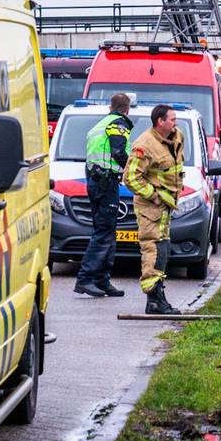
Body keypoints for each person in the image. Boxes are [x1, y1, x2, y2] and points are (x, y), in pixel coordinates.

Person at [124, 104, 185, 315]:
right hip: (151, 207)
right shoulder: (144, 145)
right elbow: (131, 177)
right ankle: (154, 299)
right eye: (172, 119)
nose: (175, 123)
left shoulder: (176, 138)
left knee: (163, 248)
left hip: (166, 206)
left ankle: (158, 297)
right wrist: (154, 195)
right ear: (160, 121)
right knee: (153, 249)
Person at [74, 93, 133, 298]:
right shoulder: (118, 124)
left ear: (111, 106)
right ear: (127, 109)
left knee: (107, 231)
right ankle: (86, 279)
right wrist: (134, 169)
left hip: (96, 181)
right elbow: (119, 152)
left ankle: (102, 280)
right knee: (103, 233)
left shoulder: (99, 125)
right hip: (106, 183)